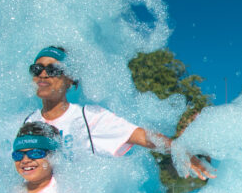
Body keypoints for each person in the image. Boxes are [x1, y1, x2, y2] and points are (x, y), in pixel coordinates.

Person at [24, 46, 214, 179]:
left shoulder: (88, 117)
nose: (43, 74)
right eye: (37, 69)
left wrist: (179, 150)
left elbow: (143, 136)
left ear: (70, 79)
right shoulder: (27, 122)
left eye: (53, 69)